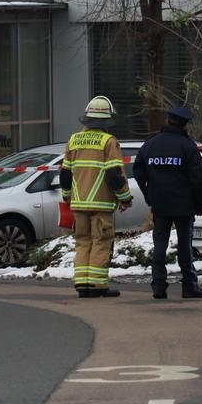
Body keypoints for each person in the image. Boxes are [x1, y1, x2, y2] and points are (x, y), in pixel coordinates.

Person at [60, 96, 134, 298]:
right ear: (107, 120)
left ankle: (82, 284)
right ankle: (98, 285)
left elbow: (65, 174)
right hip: (101, 205)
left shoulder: (73, 140)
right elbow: (114, 175)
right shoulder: (108, 142)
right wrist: (125, 198)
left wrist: (67, 196)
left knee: (82, 241)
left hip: (78, 204)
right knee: (101, 242)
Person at [134, 106, 202, 300]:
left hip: (160, 203)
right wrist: (201, 205)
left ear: (168, 121)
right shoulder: (187, 146)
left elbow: (138, 170)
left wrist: (148, 193)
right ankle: (189, 285)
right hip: (184, 205)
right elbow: (199, 179)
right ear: (185, 124)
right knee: (185, 245)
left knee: (160, 244)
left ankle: (158, 286)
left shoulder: (150, 144)